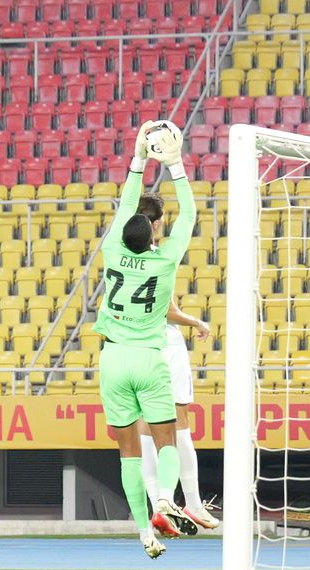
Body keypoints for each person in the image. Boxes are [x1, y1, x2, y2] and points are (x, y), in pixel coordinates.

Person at [94, 121, 198, 559]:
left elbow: (125, 205)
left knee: (128, 455)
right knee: (168, 438)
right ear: (153, 235)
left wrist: (137, 159)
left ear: (122, 235)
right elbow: (189, 216)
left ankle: (142, 532)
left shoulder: (111, 251)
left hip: (113, 361)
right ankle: (164, 502)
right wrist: (174, 165)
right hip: (149, 359)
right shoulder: (165, 262)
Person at [132, 192, 220, 531]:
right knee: (179, 422)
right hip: (163, 345)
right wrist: (197, 322)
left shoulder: (119, 257)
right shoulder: (159, 257)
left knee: (144, 425)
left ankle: (158, 505)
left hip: (134, 347)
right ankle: (194, 504)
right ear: (156, 224)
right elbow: (167, 310)